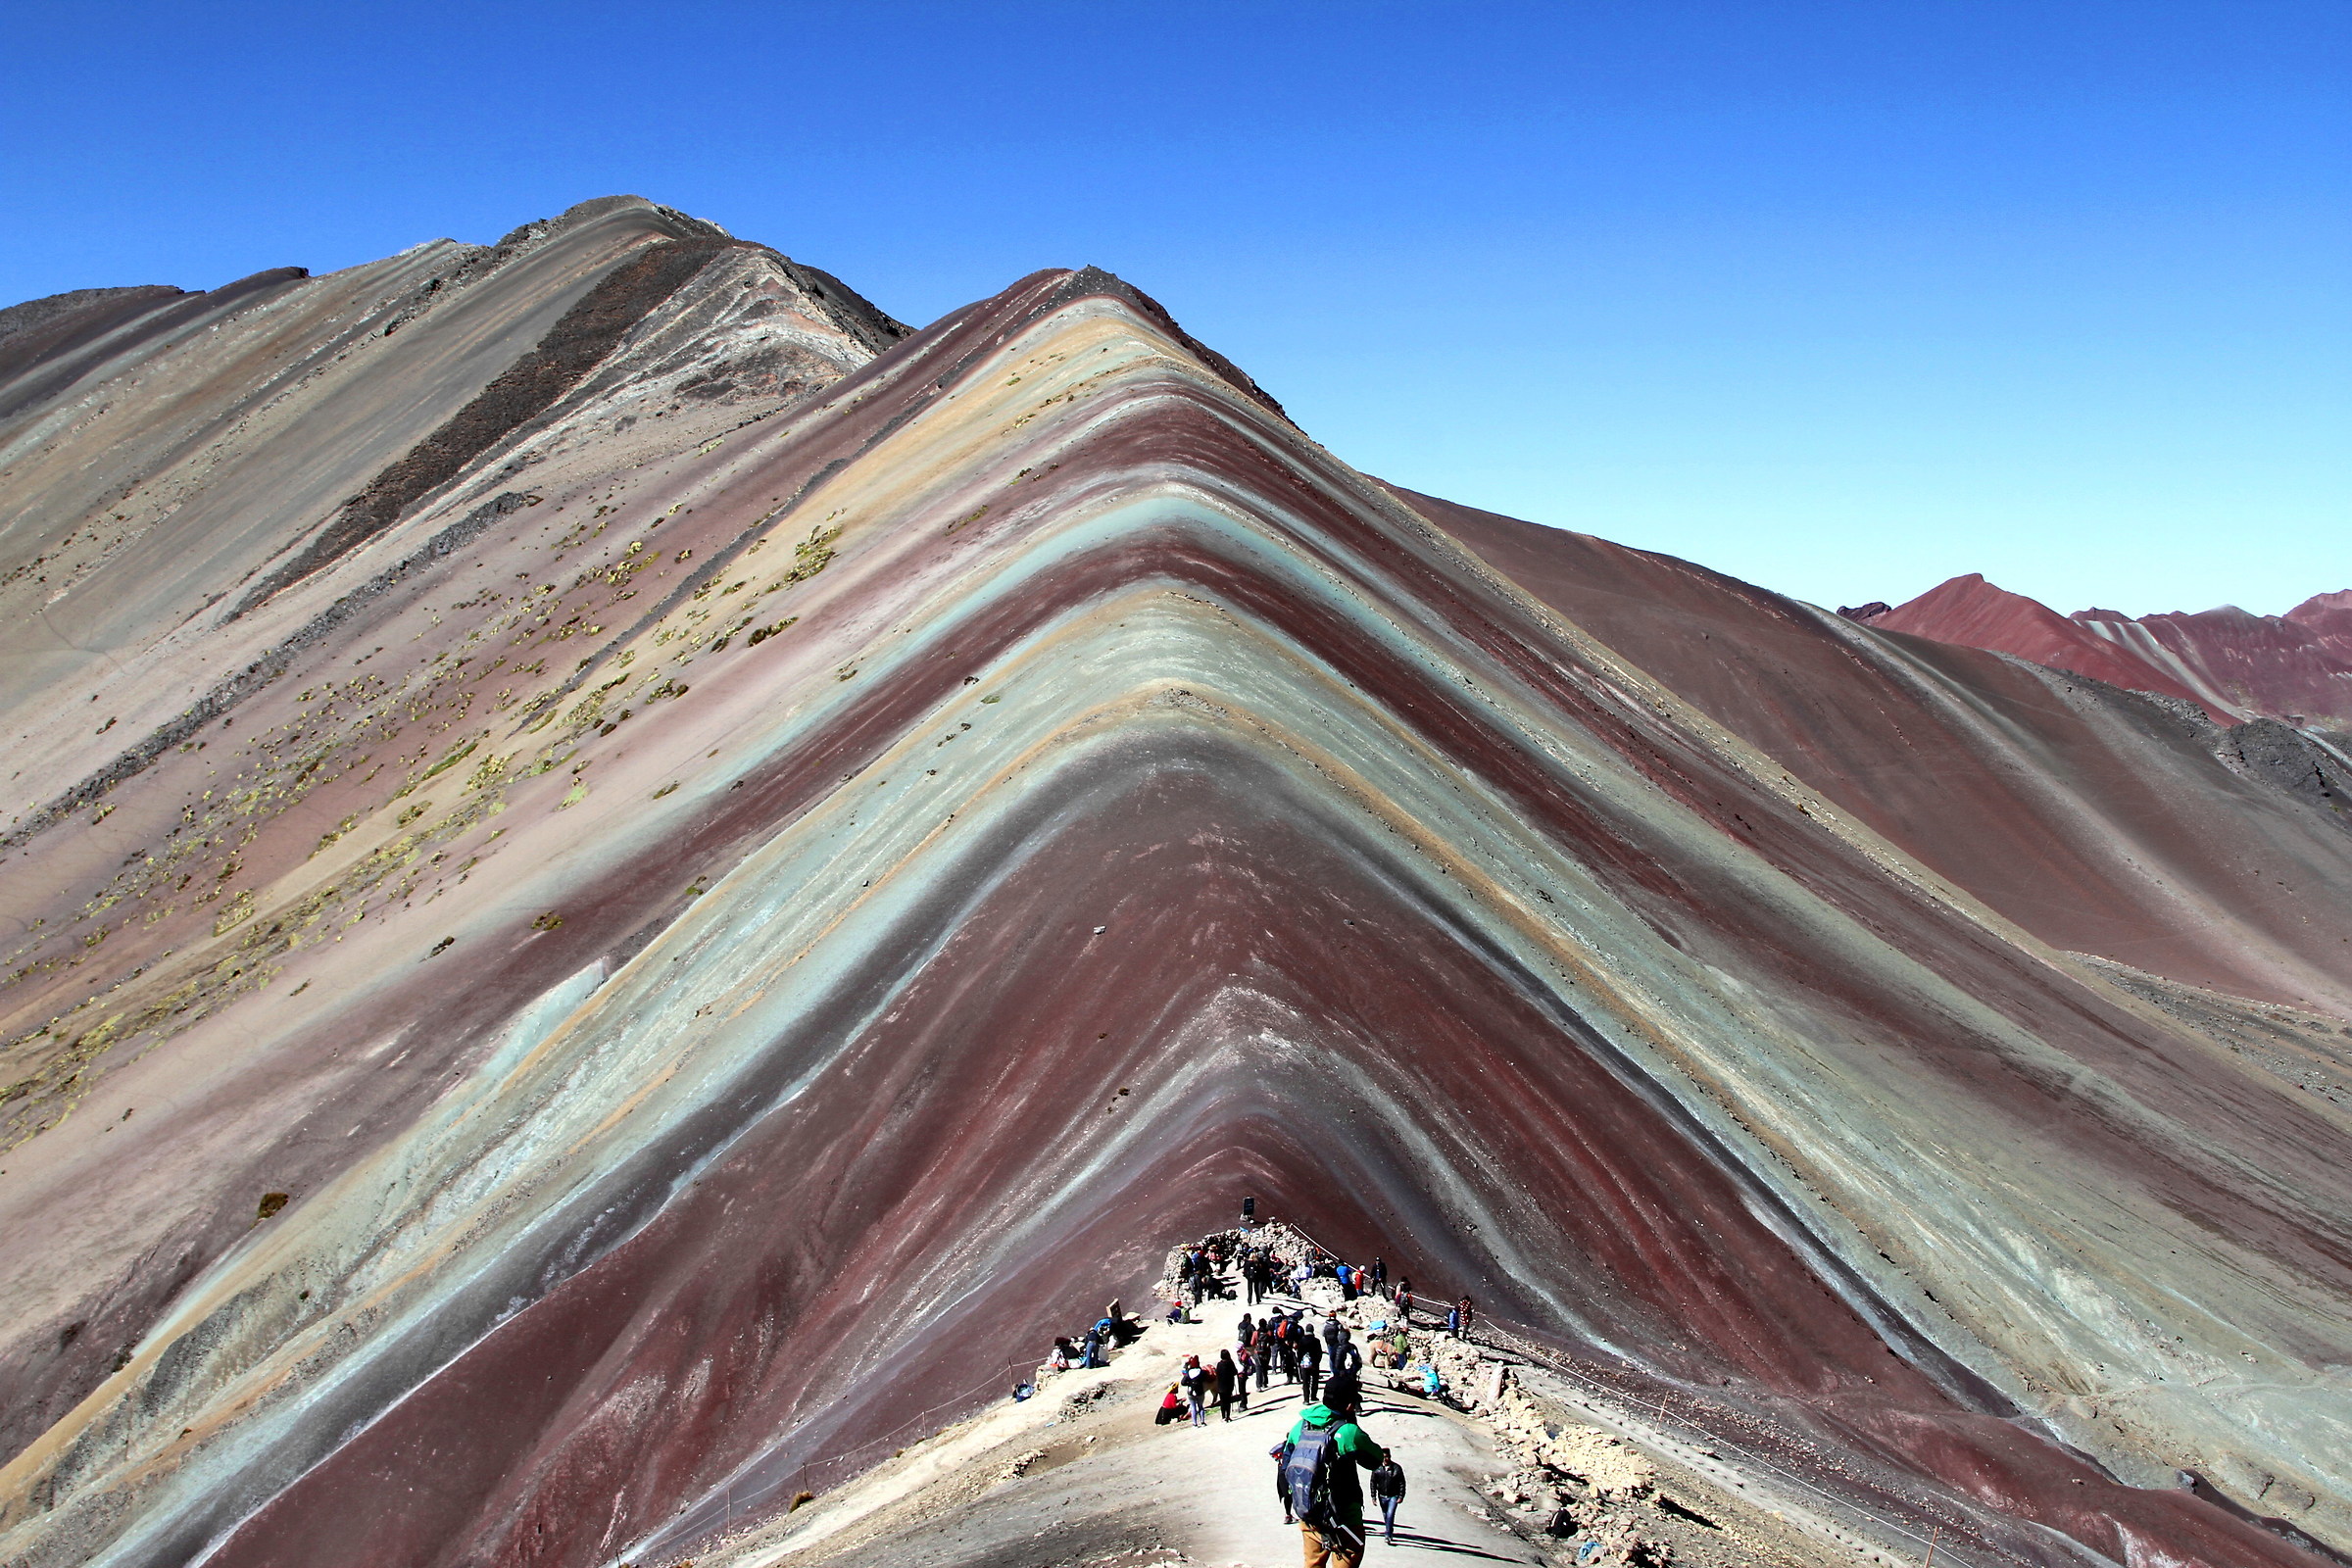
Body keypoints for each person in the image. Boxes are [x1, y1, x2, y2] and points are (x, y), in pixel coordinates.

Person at [1276, 1384, 1390, 1567]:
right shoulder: (1348, 1432)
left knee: (1313, 1563)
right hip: (1345, 1517)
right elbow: (1375, 1460)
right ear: (1349, 1406)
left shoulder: (1300, 1426)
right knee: (1348, 1556)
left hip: (1309, 1512)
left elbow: (1286, 1462)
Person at [1370, 1455, 1406, 1544]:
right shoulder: (1377, 1468)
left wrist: (1401, 1496)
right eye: (1383, 1457)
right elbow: (1373, 1483)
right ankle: (1389, 1529)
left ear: (1390, 1457)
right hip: (1382, 1496)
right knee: (1386, 1515)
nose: (1385, 1459)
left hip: (1393, 1496)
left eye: (1386, 1457)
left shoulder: (1396, 1468)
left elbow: (1402, 1482)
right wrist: (1373, 1497)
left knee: (1390, 1514)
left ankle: (1388, 1535)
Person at [1298, 1328, 1323, 1404]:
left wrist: (1300, 1362)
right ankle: (1313, 1396)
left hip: (1304, 1364)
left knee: (1305, 1382)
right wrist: (1317, 1362)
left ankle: (1306, 1399)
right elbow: (1319, 1353)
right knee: (1315, 1380)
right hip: (1314, 1363)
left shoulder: (1302, 1341)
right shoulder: (1316, 1341)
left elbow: (1299, 1353)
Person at [1215, 1349, 1238, 1422]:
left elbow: (1217, 1373)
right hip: (1229, 1385)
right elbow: (1235, 1372)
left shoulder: (1219, 1364)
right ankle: (1228, 1416)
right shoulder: (1230, 1363)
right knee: (1228, 1401)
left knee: (1222, 1402)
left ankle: (1223, 1417)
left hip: (1220, 1385)